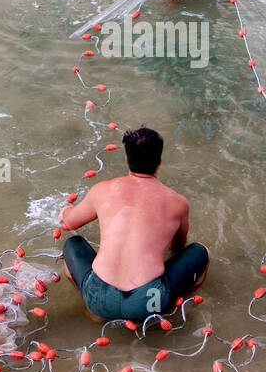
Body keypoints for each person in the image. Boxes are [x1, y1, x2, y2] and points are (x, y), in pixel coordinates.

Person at [58, 125, 209, 322]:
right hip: (148, 303)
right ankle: (166, 310)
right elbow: (179, 246)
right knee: (201, 251)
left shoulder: (103, 190)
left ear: (127, 159)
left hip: (98, 297)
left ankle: (94, 312)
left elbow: (68, 224)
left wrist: (65, 211)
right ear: (159, 161)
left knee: (73, 244)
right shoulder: (177, 202)